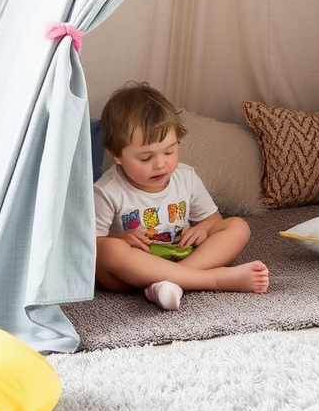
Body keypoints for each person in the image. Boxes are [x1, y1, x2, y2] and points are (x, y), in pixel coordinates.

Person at [94, 81, 269, 311]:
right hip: (134, 270)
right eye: (145, 158)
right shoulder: (106, 191)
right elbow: (91, 246)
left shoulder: (186, 177)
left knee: (238, 226)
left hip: (181, 254)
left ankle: (171, 283)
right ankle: (213, 280)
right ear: (116, 155)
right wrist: (121, 239)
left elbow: (213, 220)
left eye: (169, 151)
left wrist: (202, 230)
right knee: (106, 251)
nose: (160, 164)